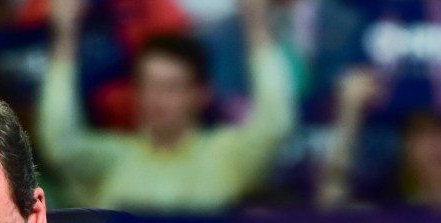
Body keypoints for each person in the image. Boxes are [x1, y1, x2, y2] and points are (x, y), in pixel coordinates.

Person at [36, 0, 295, 211]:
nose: (156, 98)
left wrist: (256, 23)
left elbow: (275, 123)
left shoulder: (226, 156)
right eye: (147, 85)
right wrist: (65, 36)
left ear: (201, 95)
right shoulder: (113, 160)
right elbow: (60, 141)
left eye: (171, 87)